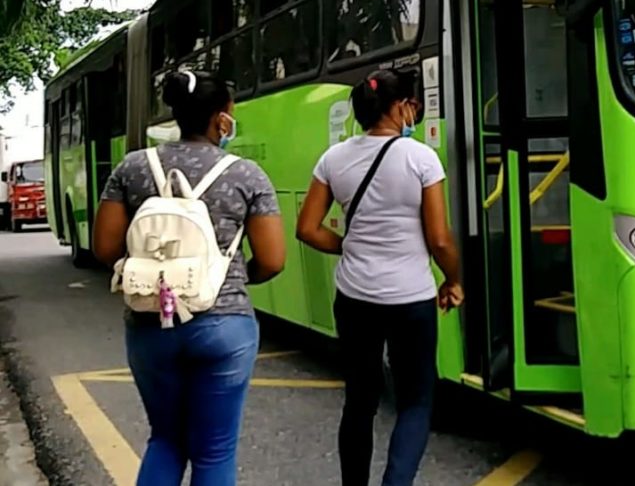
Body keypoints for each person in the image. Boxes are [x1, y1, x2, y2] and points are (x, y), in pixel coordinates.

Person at [92, 70, 286, 486]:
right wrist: (229, 279)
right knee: (214, 452)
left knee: (165, 439)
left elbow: (105, 249)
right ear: (223, 119)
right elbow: (272, 260)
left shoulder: (132, 168)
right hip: (224, 323)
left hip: (150, 322)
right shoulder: (246, 174)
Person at [296, 69, 463, 486]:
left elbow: (307, 228)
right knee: (415, 401)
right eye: (412, 104)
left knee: (360, 401)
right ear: (399, 107)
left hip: (355, 297)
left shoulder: (333, 159)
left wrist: (347, 247)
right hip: (411, 299)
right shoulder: (421, 158)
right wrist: (453, 279)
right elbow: (440, 239)